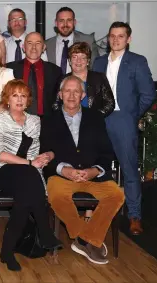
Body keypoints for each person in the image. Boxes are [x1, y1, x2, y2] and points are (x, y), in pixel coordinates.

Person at [41, 75, 125, 265]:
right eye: (67, 91)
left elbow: (106, 151)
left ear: (83, 95)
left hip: (93, 176)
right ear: (60, 95)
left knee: (117, 195)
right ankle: (89, 240)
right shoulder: (48, 119)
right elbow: (45, 153)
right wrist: (64, 170)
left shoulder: (95, 118)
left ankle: (84, 240)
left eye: (76, 91)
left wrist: (94, 170)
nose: (71, 95)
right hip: (62, 176)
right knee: (56, 196)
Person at [0, 79, 62, 271]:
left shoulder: (35, 121)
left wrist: (45, 157)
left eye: (23, 95)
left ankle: (7, 251)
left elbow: (39, 152)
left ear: (28, 100)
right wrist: (30, 163)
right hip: (3, 170)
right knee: (29, 177)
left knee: (24, 199)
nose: (19, 99)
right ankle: (44, 230)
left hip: (29, 176)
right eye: (15, 95)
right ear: (7, 99)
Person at [93, 22, 156, 235]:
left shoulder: (137, 61)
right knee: (96, 166)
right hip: (100, 120)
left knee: (129, 169)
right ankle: (97, 213)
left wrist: (131, 115)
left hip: (123, 120)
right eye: (112, 36)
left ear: (128, 39)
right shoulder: (99, 62)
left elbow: (148, 93)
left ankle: (134, 216)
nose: (116, 40)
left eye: (120, 36)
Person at [6, 32, 62, 116]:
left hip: (46, 122)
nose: (34, 47)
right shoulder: (9, 69)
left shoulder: (55, 71)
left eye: (38, 43)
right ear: (23, 47)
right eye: (29, 43)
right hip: (15, 120)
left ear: (43, 48)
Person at [53, 42, 115, 118]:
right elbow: (55, 104)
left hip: (93, 124)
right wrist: (66, 118)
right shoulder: (62, 79)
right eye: (74, 57)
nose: (78, 61)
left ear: (88, 61)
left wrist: (93, 118)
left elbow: (109, 103)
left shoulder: (99, 78)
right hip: (67, 124)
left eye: (83, 57)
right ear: (69, 61)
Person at [45, 7, 99, 74]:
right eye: (61, 20)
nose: (65, 24)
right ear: (56, 23)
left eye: (69, 20)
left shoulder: (88, 41)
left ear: (74, 22)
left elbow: (96, 67)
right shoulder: (47, 45)